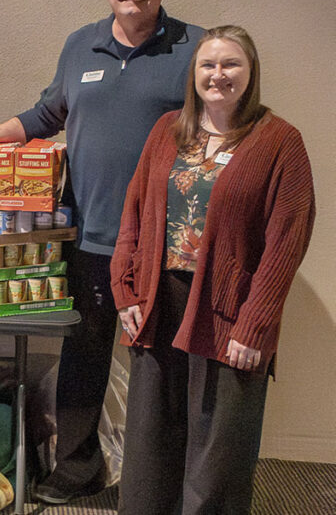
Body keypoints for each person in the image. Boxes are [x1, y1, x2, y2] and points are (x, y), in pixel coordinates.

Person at [0, 0, 204, 503]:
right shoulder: (80, 46)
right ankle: (77, 468)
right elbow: (48, 113)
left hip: (165, 244)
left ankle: (159, 478)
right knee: (85, 354)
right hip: (89, 236)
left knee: (162, 363)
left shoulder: (193, 49)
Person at [110, 26, 314, 514]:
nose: (218, 75)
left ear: (250, 73)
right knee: (151, 443)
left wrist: (256, 324)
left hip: (229, 312)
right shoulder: (166, 131)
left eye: (230, 65)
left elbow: (287, 241)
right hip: (160, 302)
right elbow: (133, 215)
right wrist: (125, 292)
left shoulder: (280, 141)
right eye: (208, 65)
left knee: (217, 453)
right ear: (193, 73)